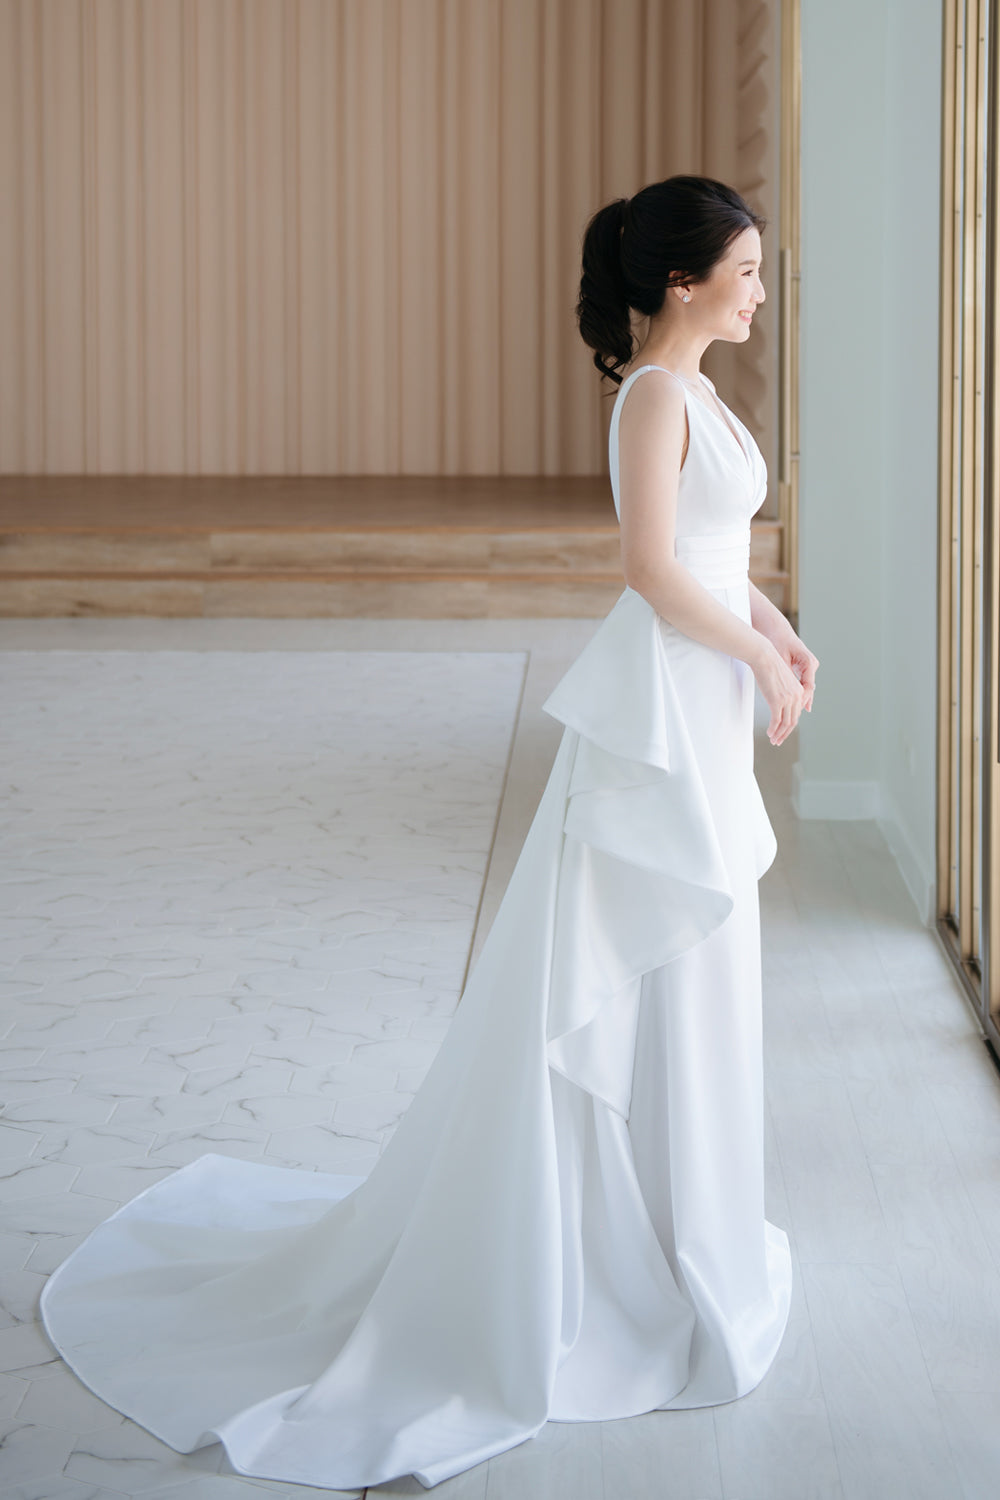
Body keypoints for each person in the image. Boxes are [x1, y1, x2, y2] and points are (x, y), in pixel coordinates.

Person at [39, 174, 819, 1492]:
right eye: (745, 269)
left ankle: (680, 1224)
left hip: (702, 699)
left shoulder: (703, 396)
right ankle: (604, 1249)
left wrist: (776, 633)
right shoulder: (652, 396)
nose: (759, 289)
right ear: (683, 281)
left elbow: (709, 542)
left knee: (692, 960)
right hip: (661, 721)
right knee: (630, 963)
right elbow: (645, 565)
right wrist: (754, 644)